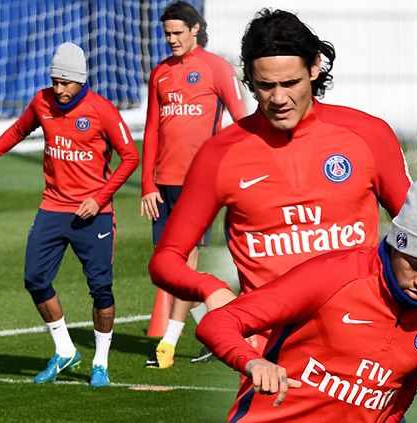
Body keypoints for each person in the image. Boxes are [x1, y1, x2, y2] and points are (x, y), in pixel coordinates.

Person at [148, 8, 412, 357]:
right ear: (250, 80)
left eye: (290, 83)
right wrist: (209, 287)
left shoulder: (368, 135)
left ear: (314, 68)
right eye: (265, 85)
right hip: (270, 362)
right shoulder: (220, 154)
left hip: (363, 357)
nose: (278, 98)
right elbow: (166, 259)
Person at [198, 175, 417, 422]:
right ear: (395, 244)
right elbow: (219, 321)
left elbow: (406, 388)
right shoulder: (332, 277)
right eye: (414, 265)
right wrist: (251, 361)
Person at [0, 42, 139, 388]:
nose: (58, 89)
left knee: (101, 291)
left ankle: (100, 363)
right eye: (55, 81)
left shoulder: (102, 110)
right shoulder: (42, 102)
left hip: (95, 215)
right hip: (53, 208)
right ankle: (64, 350)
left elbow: (130, 156)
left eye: (65, 83)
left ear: (80, 81)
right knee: (35, 279)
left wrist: (100, 197)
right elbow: (17, 131)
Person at [141, 0, 248, 369]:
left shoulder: (216, 68)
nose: (171, 39)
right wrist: (146, 185)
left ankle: (168, 346)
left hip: (199, 183)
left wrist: (230, 170)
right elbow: (152, 129)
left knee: (183, 259)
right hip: (162, 182)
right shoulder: (160, 73)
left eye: (177, 33)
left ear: (195, 30)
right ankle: (224, 318)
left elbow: (241, 122)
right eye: (166, 34)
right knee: (166, 264)